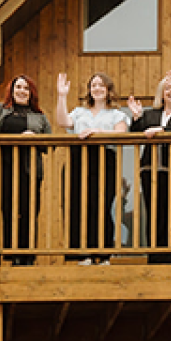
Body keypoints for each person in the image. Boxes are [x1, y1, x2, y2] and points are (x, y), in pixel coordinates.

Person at [0, 49, 51, 265]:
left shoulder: (39, 117)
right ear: (12, 90)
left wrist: (33, 137)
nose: (22, 91)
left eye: (26, 88)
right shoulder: (1, 111)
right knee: (8, 210)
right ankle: (11, 253)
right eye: (18, 87)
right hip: (5, 168)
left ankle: (27, 256)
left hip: (30, 170)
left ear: (31, 93)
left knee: (28, 211)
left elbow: (49, 144)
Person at [55, 71, 130, 263]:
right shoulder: (80, 112)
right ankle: (81, 253)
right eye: (93, 85)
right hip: (78, 159)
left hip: (105, 160)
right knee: (77, 205)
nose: (97, 88)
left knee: (102, 205)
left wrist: (96, 132)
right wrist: (62, 95)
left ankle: (102, 253)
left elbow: (121, 133)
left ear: (108, 90)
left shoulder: (117, 114)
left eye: (101, 85)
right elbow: (63, 121)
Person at [127, 72, 171, 263]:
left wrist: (162, 131)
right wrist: (135, 117)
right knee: (154, 213)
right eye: (168, 88)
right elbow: (136, 133)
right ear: (162, 92)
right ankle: (155, 256)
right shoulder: (151, 114)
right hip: (150, 171)